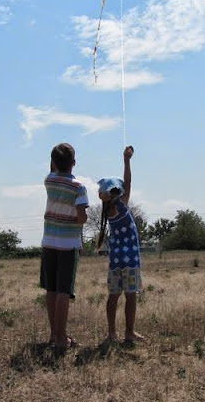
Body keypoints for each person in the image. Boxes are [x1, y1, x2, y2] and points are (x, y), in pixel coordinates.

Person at [40, 143, 88, 350]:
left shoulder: (49, 181)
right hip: (68, 246)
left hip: (49, 242)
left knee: (51, 289)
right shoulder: (78, 187)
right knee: (63, 292)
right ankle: (62, 339)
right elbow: (82, 218)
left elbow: (53, 170)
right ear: (74, 163)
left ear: (52, 163)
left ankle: (54, 335)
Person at [97, 146, 144, 343]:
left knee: (113, 296)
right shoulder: (122, 205)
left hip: (115, 260)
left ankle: (111, 333)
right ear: (117, 193)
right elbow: (129, 181)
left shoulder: (107, 212)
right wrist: (126, 160)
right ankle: (129, 333)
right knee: (131, 296)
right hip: (131, 260)